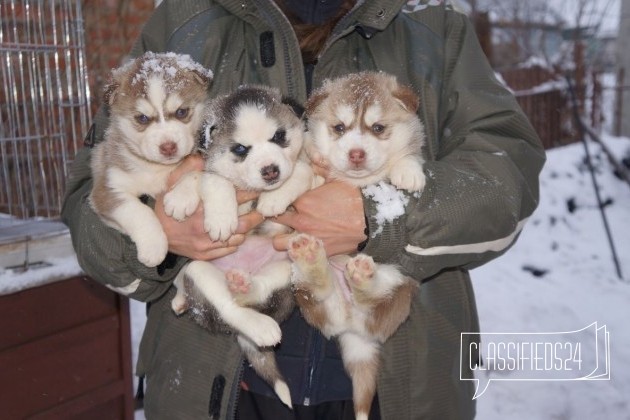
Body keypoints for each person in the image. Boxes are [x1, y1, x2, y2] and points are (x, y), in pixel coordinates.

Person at [62, 0, 545, 418]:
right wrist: (160, 235)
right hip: (215, 385)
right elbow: (89, 193)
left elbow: (508, 177)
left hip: (401, 387)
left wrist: (376, 214)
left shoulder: (433, 24)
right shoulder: (189, 17)